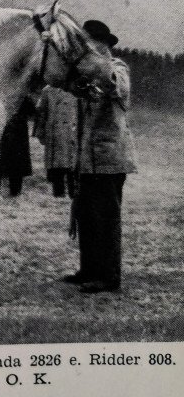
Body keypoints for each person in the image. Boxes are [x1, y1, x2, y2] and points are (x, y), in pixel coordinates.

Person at [64, 20, 138, 293]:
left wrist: (95, 58)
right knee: (86, 215)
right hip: (87, 160)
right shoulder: (90, 76)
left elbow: (113, 85)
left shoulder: (118, 68)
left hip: (110, 159)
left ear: (103, 45)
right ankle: (89, 270)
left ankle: (109, 277)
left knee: (106, 218)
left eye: (89, 43)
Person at [0, 97, 35, 197]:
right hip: (4, 129)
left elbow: (31, 112)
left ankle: (8, 192)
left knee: (12, 162)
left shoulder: (20, 92)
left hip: (13, 130)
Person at [34, 85, 78, 198]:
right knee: (57, 166)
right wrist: (41, 133)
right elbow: (42, 113)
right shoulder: (47, 90)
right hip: (54, 133)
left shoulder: (77, 87)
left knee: (73, 164)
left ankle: (74, 193)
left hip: (72, 132)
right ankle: (59, 193)